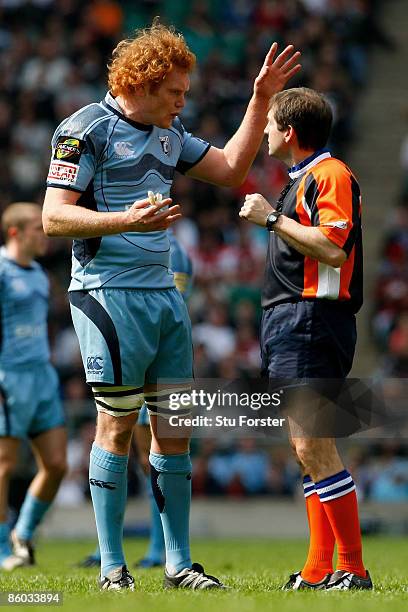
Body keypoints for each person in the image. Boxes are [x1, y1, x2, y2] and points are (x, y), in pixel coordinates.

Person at [42, 21, 300, 591]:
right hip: (108, 295)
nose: (184, 102)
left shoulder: (168, 132)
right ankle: (113, 568)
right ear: (143, 82)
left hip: (163, 295)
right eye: (176, 92)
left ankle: (179, 564)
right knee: (115, 422)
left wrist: (259, 101)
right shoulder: (83, 130)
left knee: (175, 430)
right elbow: (53, 217)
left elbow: (232, 170)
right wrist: (124, 219)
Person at [239, 87, 372, 591]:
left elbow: (334, 249)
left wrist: (271, 220)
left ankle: (353, 570)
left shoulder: (329, 175)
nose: (266, 133)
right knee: (305, 448)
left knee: (313, 443)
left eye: (271, 124)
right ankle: (318, 570)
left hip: (313, 320)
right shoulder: (303, 179)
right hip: (291, 321)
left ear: (290, 132)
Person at [78, 232, 193, 570]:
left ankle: (160, 549)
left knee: (149, 455)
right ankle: (114, 554)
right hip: (127, 337)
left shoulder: (175, 249)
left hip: (156, 348)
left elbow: (178, 296)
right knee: (129, 446)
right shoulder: (125, 238)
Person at [0, 203, 67, 570]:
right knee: (4, 465)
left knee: (56, 464)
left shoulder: (41, 275)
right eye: (37, 230)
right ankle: (1, 549)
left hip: (42, 376)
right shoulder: (1, 271)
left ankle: (22, 533)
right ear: (15, 233)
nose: (44, 236)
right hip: (9, 376)